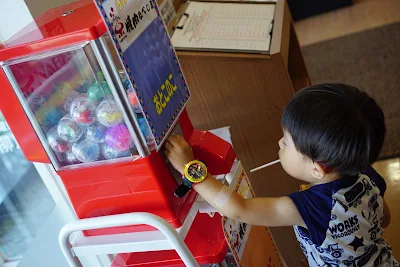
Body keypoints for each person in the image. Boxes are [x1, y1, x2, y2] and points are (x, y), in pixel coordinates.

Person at [164, 84, 399, 267]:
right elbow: (383, 218)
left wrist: (191, 169)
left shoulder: (311, 207)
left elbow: (240, 209)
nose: (279, 142)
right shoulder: (365, 174)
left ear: (317, 169)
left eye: (286, 142)